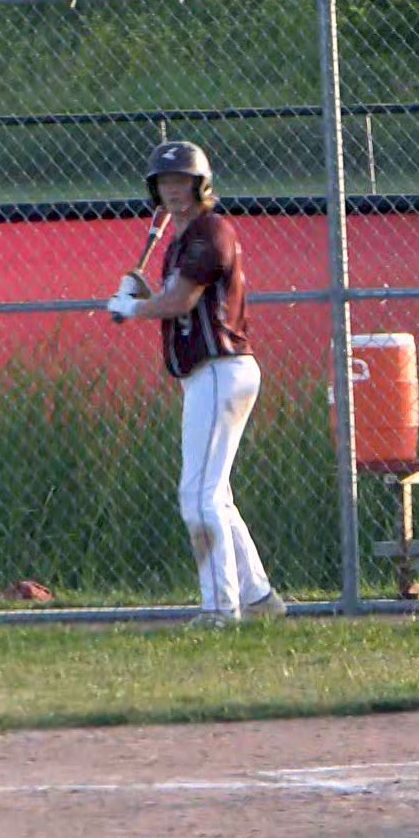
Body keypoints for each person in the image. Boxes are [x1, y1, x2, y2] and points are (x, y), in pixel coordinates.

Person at [105, 142, 284, 626]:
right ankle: (259, 596)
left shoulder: (210, 231)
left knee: (197, 495)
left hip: (220, 369)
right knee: (215, 494)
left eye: (182, 181)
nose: (173, 191)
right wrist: (142, 295)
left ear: (201, 185)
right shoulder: (181, 240)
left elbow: (181, 302)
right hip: (208, 374)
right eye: (165, 184)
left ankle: (219, 609)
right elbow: (171, 298)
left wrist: (134, 308)